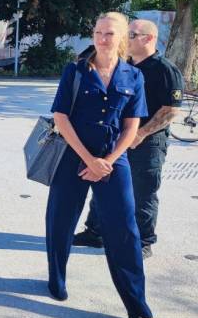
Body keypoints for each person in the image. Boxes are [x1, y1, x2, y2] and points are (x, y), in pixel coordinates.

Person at [47, 12, 152, 318]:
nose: (102, 38)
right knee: (60, 220)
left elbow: (132, 126)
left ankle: (136, 303)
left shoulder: (134, 76)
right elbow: (61, 118)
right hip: (73, 155)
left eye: (109, 33)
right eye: (98, 32)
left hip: (112, 161)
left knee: (125, 230)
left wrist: (106, 161)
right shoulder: (76, 71)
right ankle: (57, 280)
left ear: (121, 38)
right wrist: (87, 158)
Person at [73, 19, 184, 259]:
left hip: (147, 143)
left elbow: (171, 110)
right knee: (103, 182)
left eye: (131, 35)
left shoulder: (165, 70)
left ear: (149, 38)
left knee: (143, 192)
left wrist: (141, 133)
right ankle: (96, 232)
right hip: (115, 138)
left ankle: (143, 241)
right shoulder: (123, 65)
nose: (126, 39)